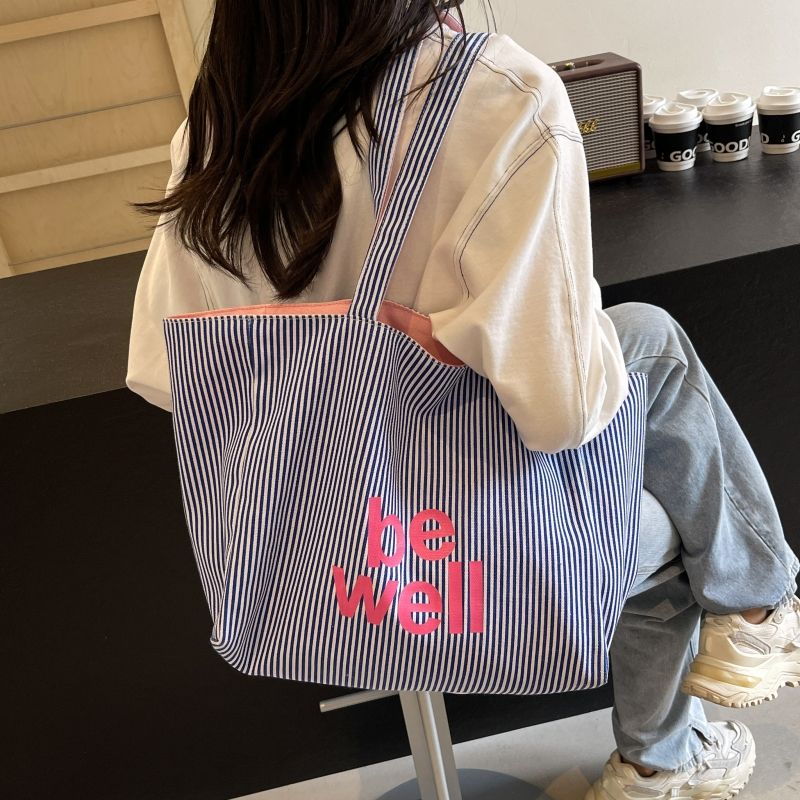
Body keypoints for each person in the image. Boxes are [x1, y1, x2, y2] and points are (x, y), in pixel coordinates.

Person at [125, 3, 800, 798]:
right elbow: (561, 414)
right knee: (680, 520)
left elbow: (165, 375)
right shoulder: (497, 93)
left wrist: (329, 365)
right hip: (475, 558)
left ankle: (750, 616)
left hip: (300, 552)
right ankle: (687, 716)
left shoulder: (216, 130)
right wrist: (465, 346)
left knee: (648, 334)